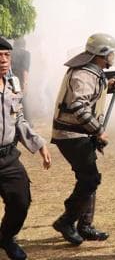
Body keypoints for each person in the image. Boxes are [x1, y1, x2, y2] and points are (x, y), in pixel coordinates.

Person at [52, 33, 115, 245]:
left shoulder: (90, 72)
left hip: (78, 134)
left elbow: (87, 95)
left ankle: (85, 226)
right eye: (110, 53)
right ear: (102, 54)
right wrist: (99, 130)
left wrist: (106, 84)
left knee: (88, 178)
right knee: (90, 179)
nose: (112, 57)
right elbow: (79, 107)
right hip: (72, 134)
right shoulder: (83, 73)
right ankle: (67, 220)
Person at [0, 37, 51, 260]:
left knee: (21, 201)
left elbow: (18, 118)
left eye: (7, 55)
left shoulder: (12, 84)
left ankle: (6, 238)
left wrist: (39, 144)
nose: (3, 60)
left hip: (7, 157)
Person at [10, 38, 31, 121]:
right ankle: (27, 122)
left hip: (9, 79)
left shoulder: (10, 52)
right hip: (19, 80)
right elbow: (25, 70)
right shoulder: (26, 54)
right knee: (22, 101)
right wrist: (25, 84)